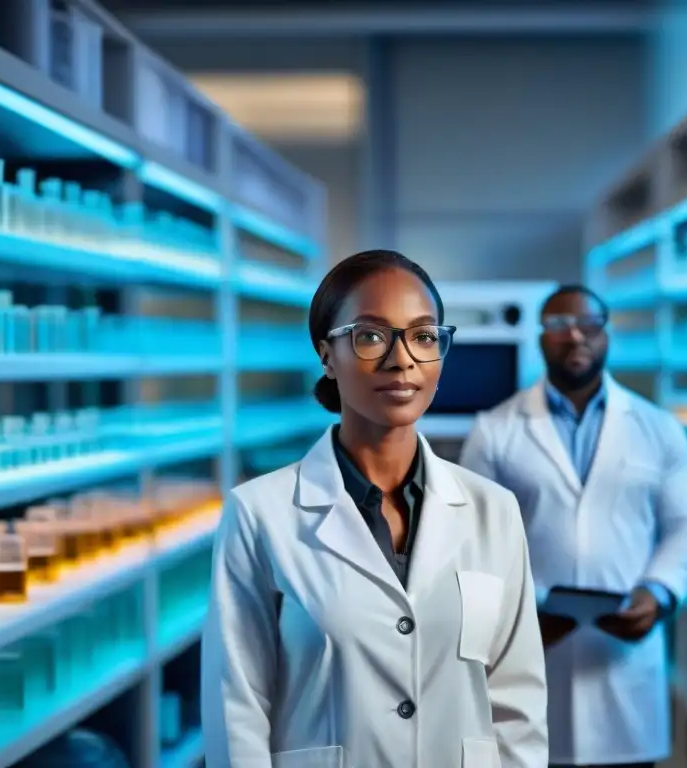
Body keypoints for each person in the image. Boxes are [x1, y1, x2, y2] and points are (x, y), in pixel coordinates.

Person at [201, 249, 548, 768]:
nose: (401, 358)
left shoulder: (493, 510)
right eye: (370, 336)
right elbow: (237, 711)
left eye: (424, 336)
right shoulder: (260, 514)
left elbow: (517, 704)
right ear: (326, 354)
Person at [459, 284, 687, 768]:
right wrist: (520, 615)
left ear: (606, 334)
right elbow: (471, 538)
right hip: (530, 653)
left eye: (589, 324)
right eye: (557, 325)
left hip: (623, 664)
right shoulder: (495, 429)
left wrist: (658, 593)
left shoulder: (658, 428)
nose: (575, 336)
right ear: (540, 338)